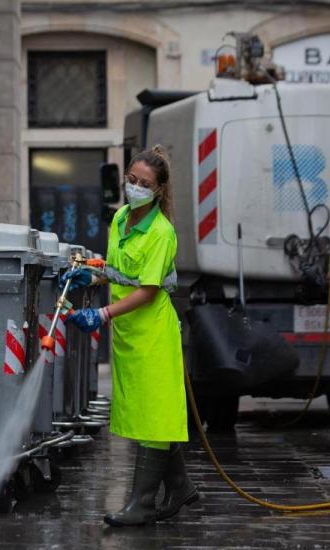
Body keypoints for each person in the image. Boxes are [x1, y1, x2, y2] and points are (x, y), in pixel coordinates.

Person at [63, 145, 199, 526]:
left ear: (159, 191)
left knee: (155, 416)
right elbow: (122, 271)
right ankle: (181, 486)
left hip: (153, 333)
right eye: (132, 180)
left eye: (145, 184)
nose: (135, 187)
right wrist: (91, 275)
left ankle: (141, 505)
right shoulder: (122, 217)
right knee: (147, 415)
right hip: (129, 334)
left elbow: (149, 290)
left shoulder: (161, 232)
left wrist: (102, 313)